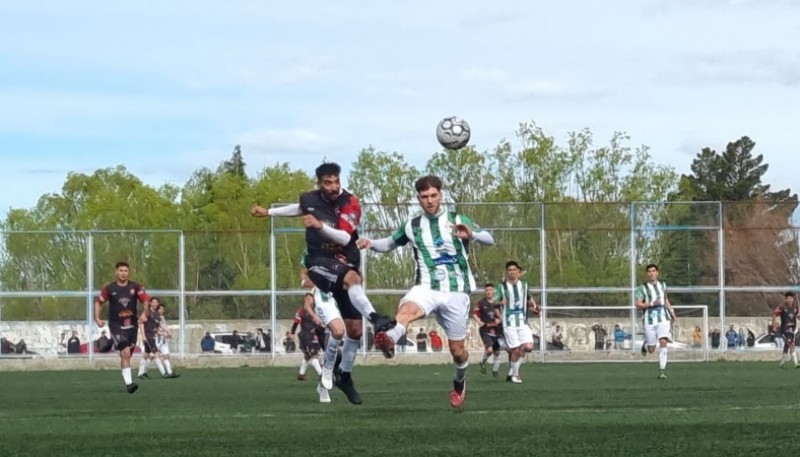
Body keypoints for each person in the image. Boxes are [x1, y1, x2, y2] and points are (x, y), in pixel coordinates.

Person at [251, 162, 394, 405]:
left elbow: (346, 236)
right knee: (352, 282)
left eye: (336, 181)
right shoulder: (310, 198)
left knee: (355, 332)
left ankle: (344, 376)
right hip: (319, 261)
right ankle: (375, 318)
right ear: (319, 183)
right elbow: (301, 208)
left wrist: (320, 226)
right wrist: (269, 212)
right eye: (328, 182)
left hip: (345, 260)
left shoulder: (350, 203)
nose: (333, 186)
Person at [359, 175, 495, 408]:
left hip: (456, 292)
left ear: (441, 195)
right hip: (426, 287)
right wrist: (370, 243)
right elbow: (388, 244)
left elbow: (489, 239)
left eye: (433, 195)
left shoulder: (457, 219)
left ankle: (460, 383)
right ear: (418, 199)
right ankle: (388, 339)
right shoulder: (412, 226)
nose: (430, 201)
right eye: (424, 197)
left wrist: (470, 234)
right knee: (406, 311)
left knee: (457, 351)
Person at [94, 261, 149, 393]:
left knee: (127, 355)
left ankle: (113, 344)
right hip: (116, 325)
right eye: (121, 270)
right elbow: (98, 302)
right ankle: (129, 384)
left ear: (128, 272)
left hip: (132, 326)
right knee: (124, 352)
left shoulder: (135, 287)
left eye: (125, 271)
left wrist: (144, 313)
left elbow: (145, 301)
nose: (123, 273)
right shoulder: (110, 289)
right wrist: (97, 317)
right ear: (116, 272)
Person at [301, 267, 346, 403]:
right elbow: (307, 306)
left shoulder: (332, 292)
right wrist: (315, 317)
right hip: (323, 329)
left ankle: (326, 381)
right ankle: (324, 389)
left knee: (337, 356)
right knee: (332, 356)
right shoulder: (314, 291)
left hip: (334, 328)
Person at [495, 261, 540, 384]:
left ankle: (512, 370)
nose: (512, 272)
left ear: (519, 272)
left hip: (522, 321)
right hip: (509, 323)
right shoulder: (501, 287)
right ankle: (515, 374)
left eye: (514, 269)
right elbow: (493, 301)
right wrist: (500, 302)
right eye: (509, 270)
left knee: (528, 347)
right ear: (507, 272)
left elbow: (529, 301)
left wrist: (535, 308)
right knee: (516, 350)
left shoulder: (524, 285)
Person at [634, 263, 676, 380]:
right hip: (649, 319)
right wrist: (652, 303)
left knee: (663, 342)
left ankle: (662, 371)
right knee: (651, 349)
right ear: (647, 274)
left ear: (657, 273)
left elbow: (665, 299)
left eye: (654, 271)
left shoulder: (663, 285)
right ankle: (646, 345)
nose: (652, 273)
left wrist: (671, 311)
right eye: (649, 271)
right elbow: (638, 305)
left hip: (663, 317)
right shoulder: (642, 288)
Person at [137, 297, 179, 379]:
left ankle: (141, 373)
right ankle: (164, 373)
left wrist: (168, 331)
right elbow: (141, 323)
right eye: (153, 302)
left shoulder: (157, 314)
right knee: (156, 354)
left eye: (156, 302)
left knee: (146, 355)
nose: (155, 304)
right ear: (150, 303)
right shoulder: (147, 312)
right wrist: (144, 336)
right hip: (149, 336)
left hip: (153, 336)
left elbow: (161, 324)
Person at [473, 283, 503, 377]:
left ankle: (495, 369)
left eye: (490, 290)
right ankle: (483, 362)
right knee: (490, 350)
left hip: (497, 329)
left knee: (497, 351)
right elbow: (474, 313)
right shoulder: (481, 303)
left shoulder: (499, 302)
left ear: (494, 291)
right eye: (486, 290)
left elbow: (504, 314)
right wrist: (479, 321)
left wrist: (500, 320)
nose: (488, 292)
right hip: (485, 330)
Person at [290, 303, 323, 382]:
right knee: (314, 355)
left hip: (305, 336)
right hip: (309, 336)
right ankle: (322, 375)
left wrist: (293, 333)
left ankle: (301, 374)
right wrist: (292, 333)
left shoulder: (314, 310)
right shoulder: (303, 311)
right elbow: (296, 322)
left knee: (307, 355)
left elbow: (296, 322)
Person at [772, 291, 799, 368]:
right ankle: (796, 363)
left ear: (793, 299)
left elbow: (797, 316)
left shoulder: (795, 307)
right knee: (791, 345)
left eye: (791, 298)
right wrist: (774, 324)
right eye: (788, 298)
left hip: (792, 330)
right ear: (786, 299)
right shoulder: (782, 307)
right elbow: (774, 314)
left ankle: (782, 363)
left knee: (786, 346)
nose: (790, 300)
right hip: (785, 330)